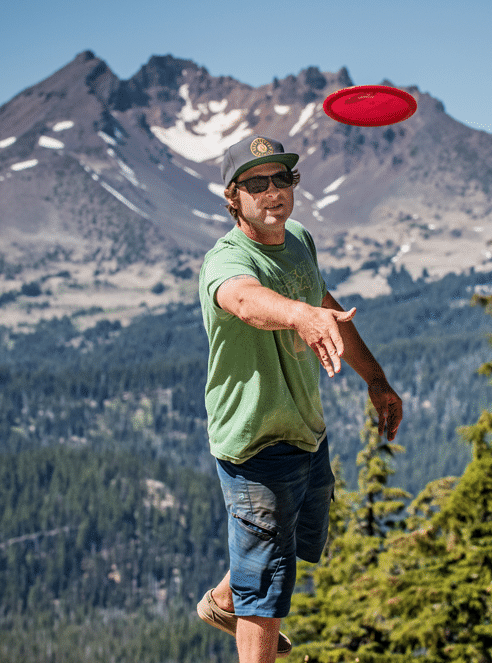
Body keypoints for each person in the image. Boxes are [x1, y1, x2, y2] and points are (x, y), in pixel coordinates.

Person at [195, 134, 403, 662]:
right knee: (266, 583)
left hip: (306, 430)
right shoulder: (225, 261)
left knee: (290, 543)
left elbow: (322, 304)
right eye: (256, 184)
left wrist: (375, 380)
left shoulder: (299, 240)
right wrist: (297, 315)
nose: (273, 192)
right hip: (256, 442)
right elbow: (246, 301)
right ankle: (244, 605)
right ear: (233, 197)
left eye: (282, 178)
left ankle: (225, 600)